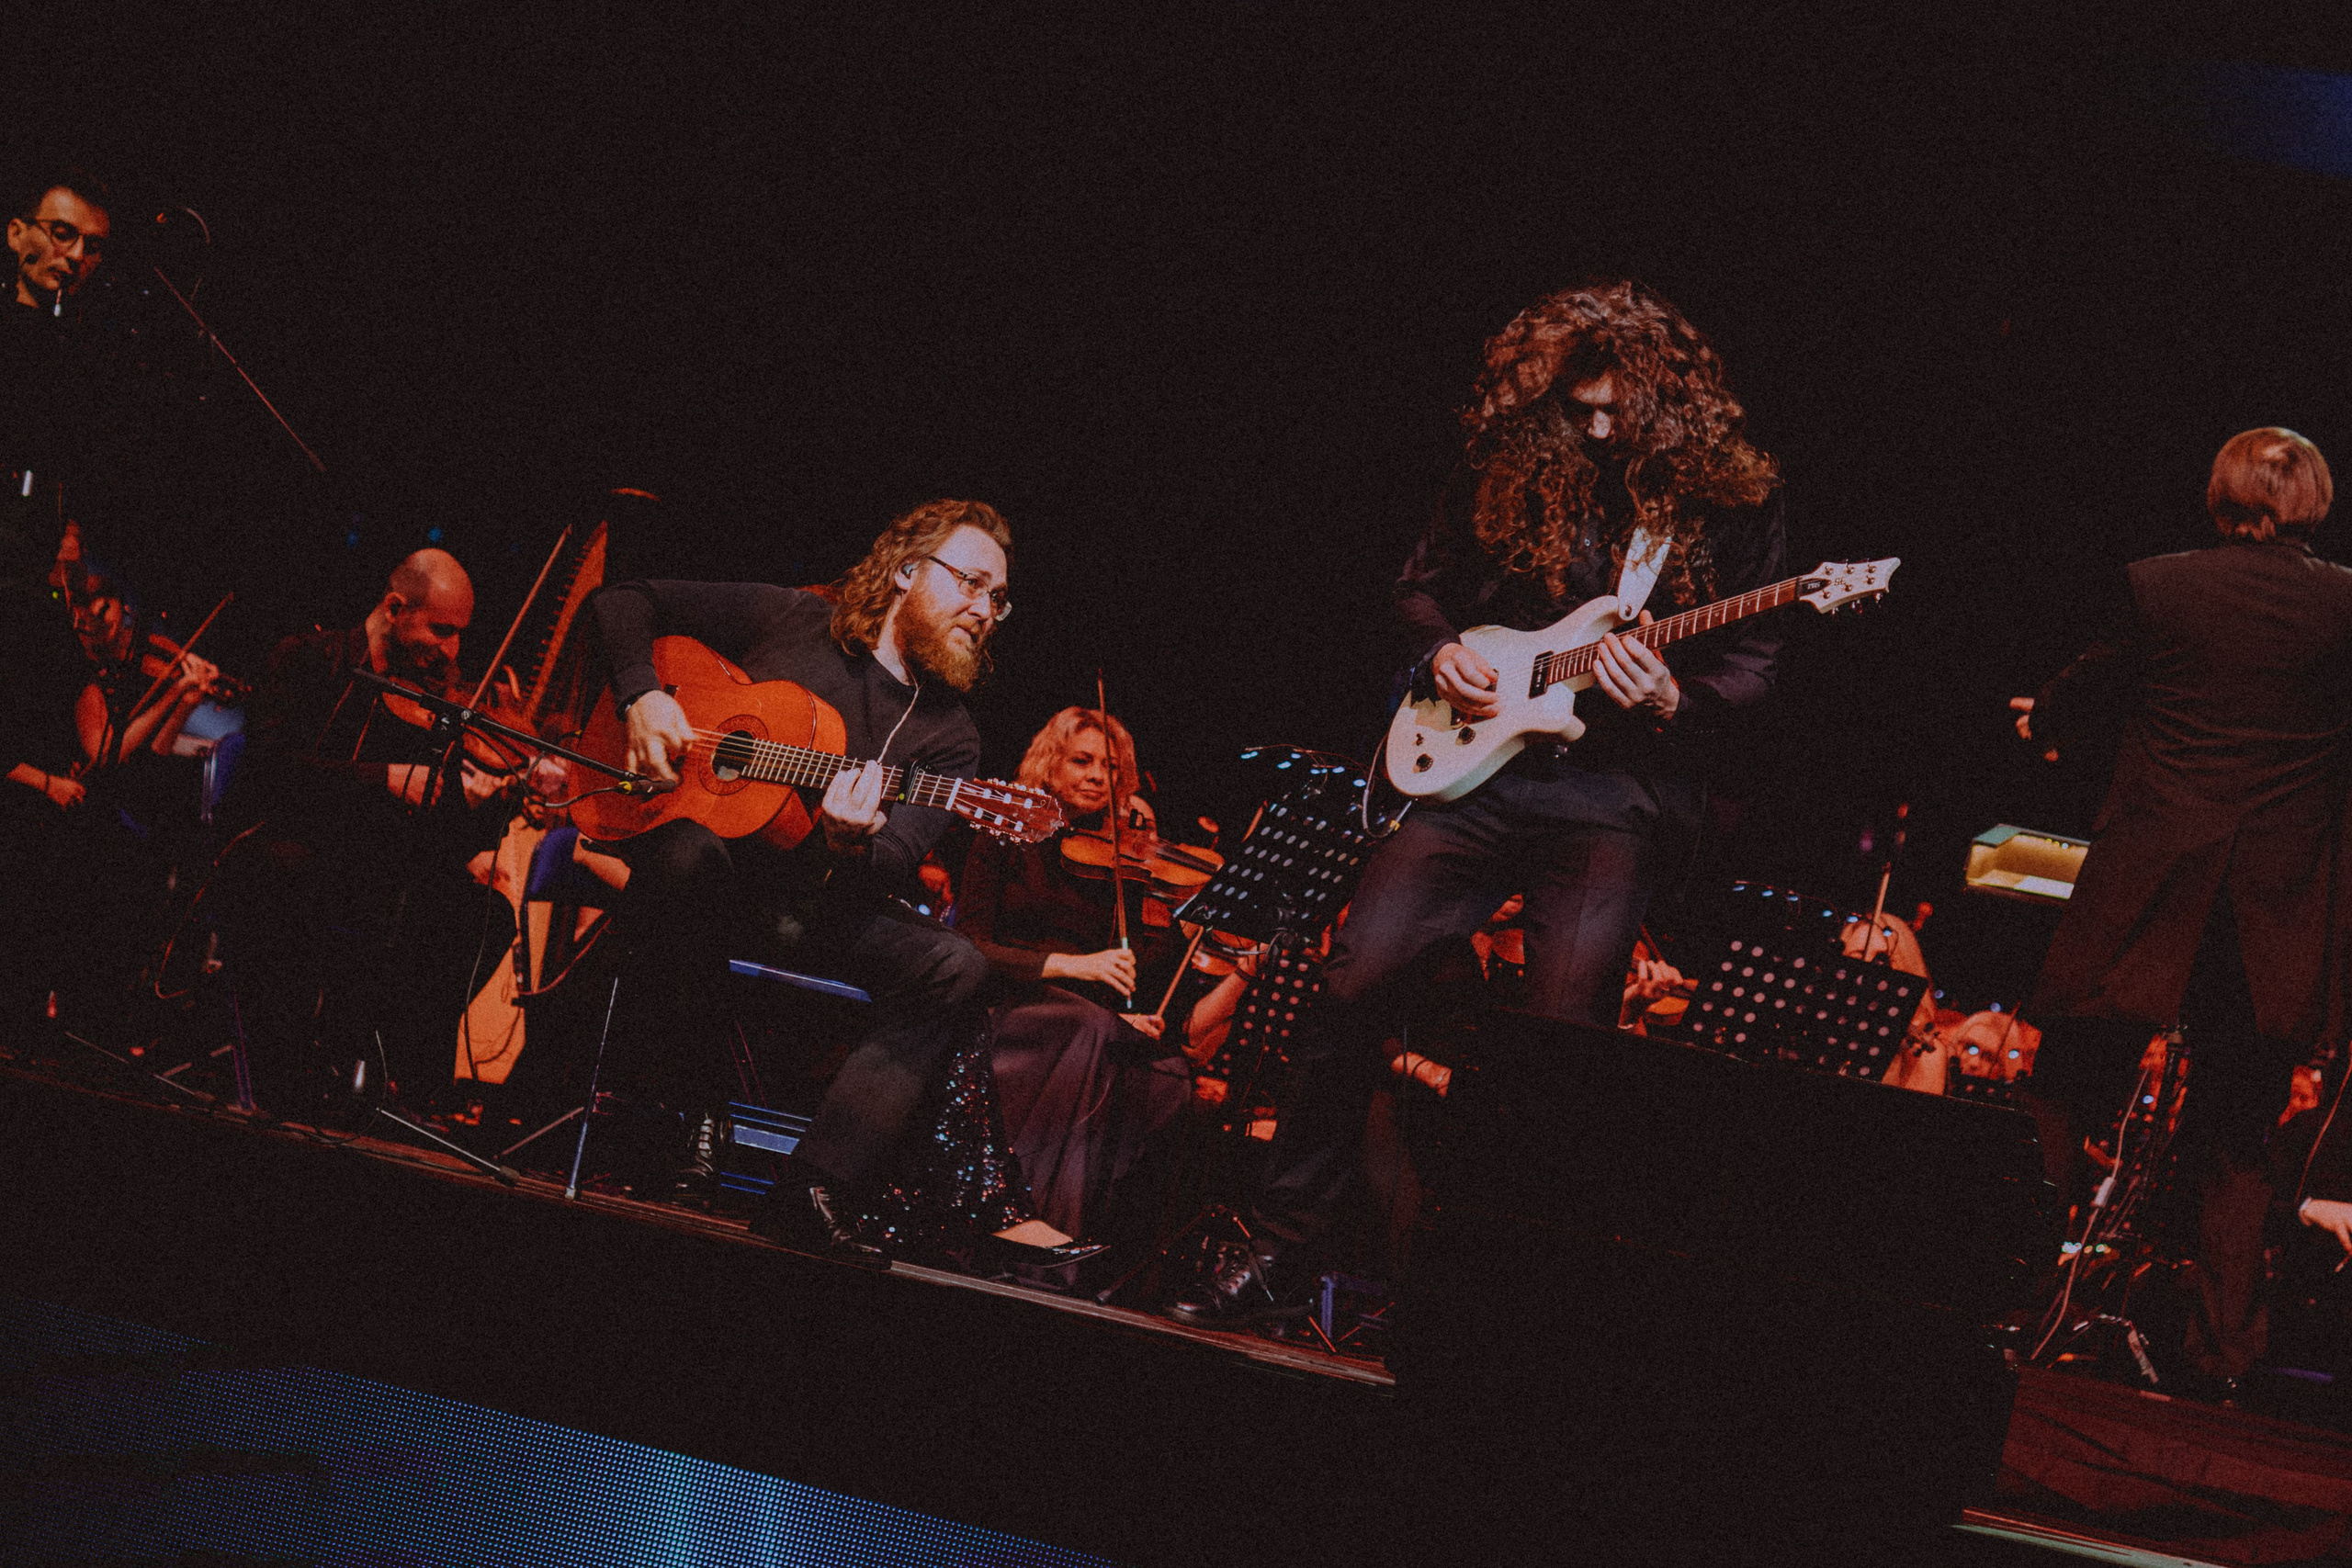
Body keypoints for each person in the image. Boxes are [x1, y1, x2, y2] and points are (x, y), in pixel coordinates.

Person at [1169, 279, 1787, 1325]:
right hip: (1471, 775)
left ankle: (1500, 1285)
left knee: (1559, 1036)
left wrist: (1679, 693)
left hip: (1610, 794)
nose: (1593, 428)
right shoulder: (1510, 467)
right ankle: (1276, 1247)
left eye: (1612, 411)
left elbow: (1759, 666)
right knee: (1353, 983)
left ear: (1666, 401)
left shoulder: (1734, 501)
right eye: (1577, 408)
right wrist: (1441, 649)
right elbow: (1417, 587)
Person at [592, 499, 1071, 1266]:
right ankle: (691, 1106)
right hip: (697, 872)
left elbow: (886, 866)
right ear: (909, 571)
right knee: (688, 854)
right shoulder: (795, 621)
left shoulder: (950, 739)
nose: (985, 610)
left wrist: (848, 843)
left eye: (998, 598)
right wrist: (642, 694)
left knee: (958, 964)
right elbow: (624, 600)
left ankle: (814, 1186)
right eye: (972, 584)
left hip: (812, 904)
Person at [2015, 427, 2352, 1384]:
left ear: (2218, 494)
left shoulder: (2157, 586)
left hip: (2150, 891)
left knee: (2063, 1090)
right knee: (2238, 1137)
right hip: (2271, 911)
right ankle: (2223, 1358)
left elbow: (2079, 701)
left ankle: (2005, 1296)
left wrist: (2041, 721)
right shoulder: (2344, 609)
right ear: (2314, 500)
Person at [224, 547, 507, 1105]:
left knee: (480, 915)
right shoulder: (307, 660)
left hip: (379, 871)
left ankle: (390, 1075)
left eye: (459, 636)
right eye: (442, 631)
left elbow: (445, 837)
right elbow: (267, 772)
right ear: (395, 607)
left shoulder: (431, 699)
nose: (453, 651)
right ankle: (283, 1063)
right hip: (290, 843)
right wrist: (384, 778)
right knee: (293, 873)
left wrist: (485, 807)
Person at [956, 706, 1193, 1252]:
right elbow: (968, 945)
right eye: (1081, 761)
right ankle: (1035, 1231)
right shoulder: (1004, 830)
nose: (1095, 776)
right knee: (1085, 1029)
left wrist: (1178, 929)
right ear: (1050, 765)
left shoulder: (1119, 860)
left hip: (1084, 1017)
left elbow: (1134, 963)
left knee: (1168, 1074)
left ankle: (1120, 1254)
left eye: (1109, 768)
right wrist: (1070, 965)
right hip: (1004, 1004)